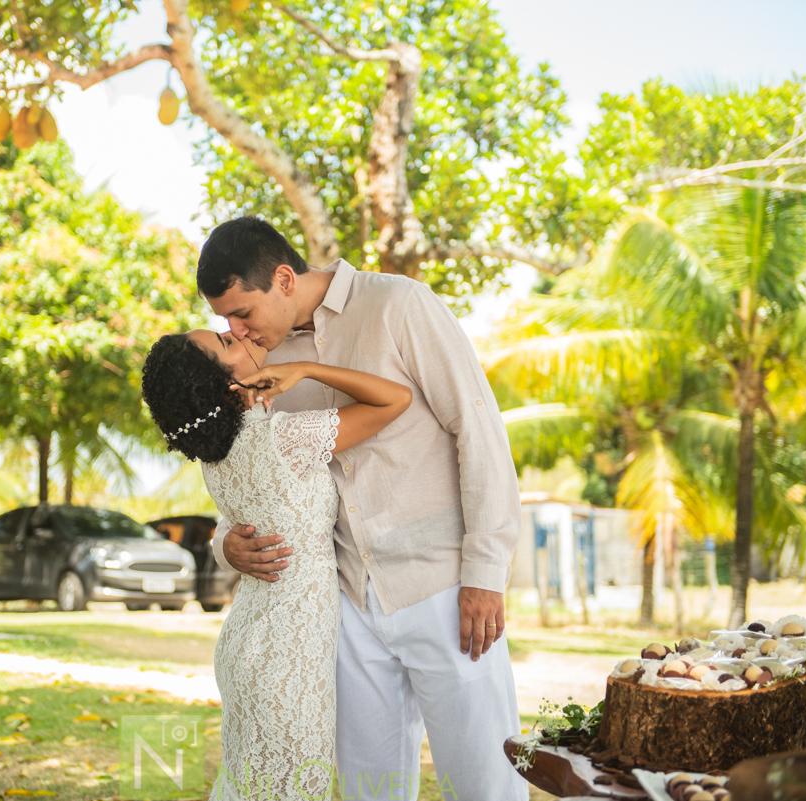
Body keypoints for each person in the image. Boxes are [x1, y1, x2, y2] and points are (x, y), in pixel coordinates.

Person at [200, 217, 528, 801]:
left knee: (486, 784)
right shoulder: (258, 364)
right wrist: (226, 541)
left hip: (444, 588)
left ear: (283, 279)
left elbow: (477, 428)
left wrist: (485, 572)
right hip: (345, 605)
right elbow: (259, 472)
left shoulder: (399, 305)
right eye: (226, 321)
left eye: (242, 313)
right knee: (369, 791)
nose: (237, 330)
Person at [141, 329, 411, 800]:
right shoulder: (284, 439)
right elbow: (395, 399)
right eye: (226, 341)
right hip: (289, 657)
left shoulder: (216, 459)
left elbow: (243, 520)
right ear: (229, 385)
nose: (237, 332)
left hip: (251, 643)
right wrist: (307, 368)